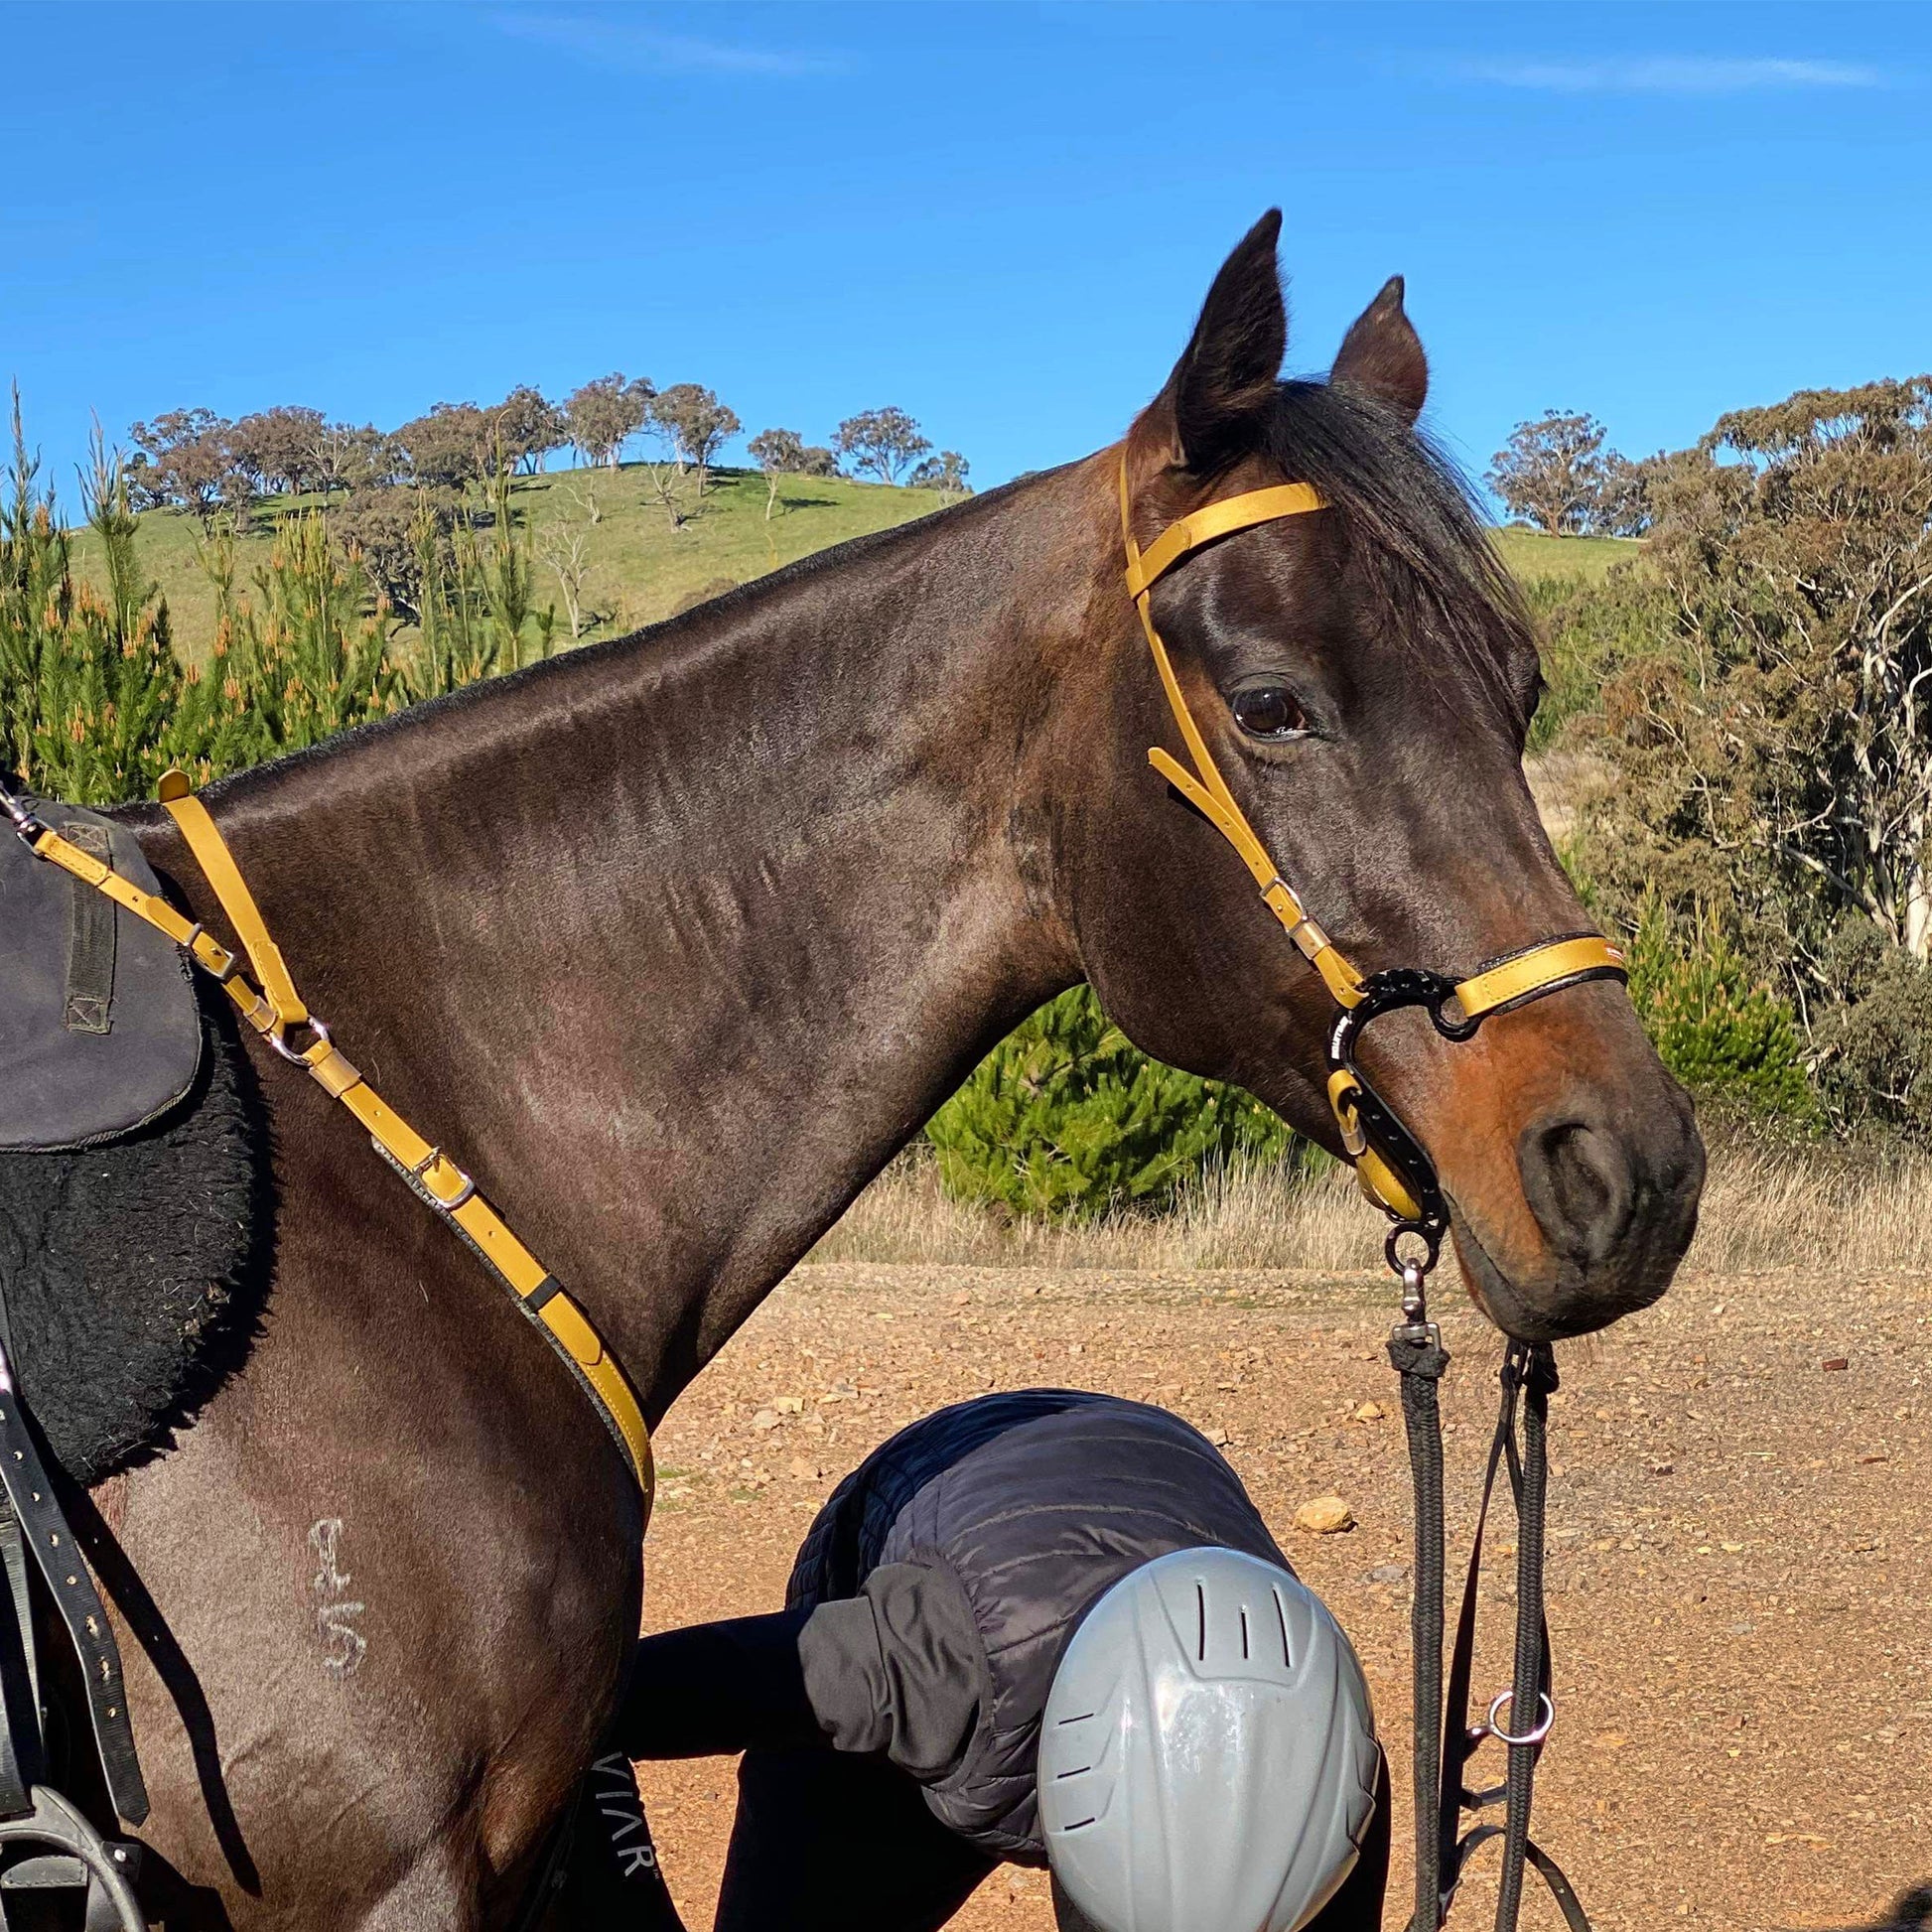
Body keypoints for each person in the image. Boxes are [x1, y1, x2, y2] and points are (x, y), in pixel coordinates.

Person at [569, 1388, 1387, 1932]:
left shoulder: (1323, 1789)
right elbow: (613, 1694)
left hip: (1159, 1481)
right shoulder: (921, 1662)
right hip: (938, 1493)